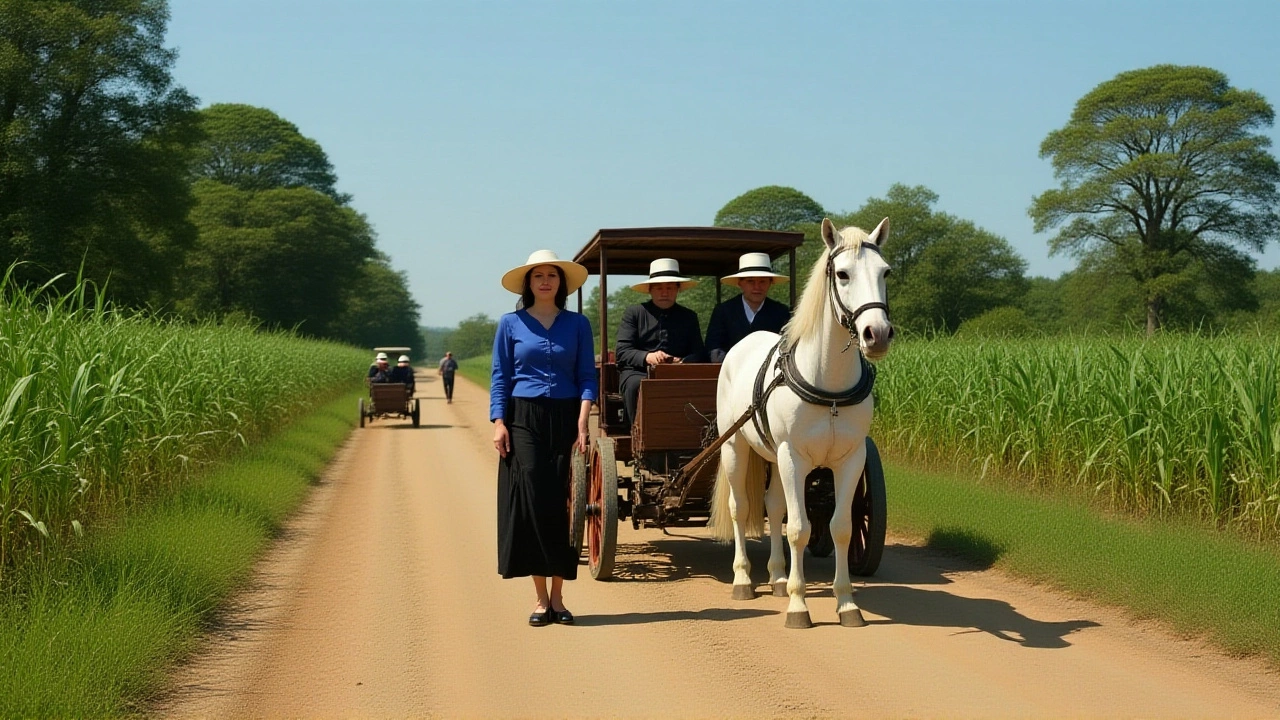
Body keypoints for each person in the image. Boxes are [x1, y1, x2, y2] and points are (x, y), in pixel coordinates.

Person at [490, 249, 597, 627]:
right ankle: (539, 599)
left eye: (552, 275)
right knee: (534, 497)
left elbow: (587, 377)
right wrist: (498, 422)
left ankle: (558, 598)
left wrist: (583, 423)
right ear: (529, 284)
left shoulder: (578, 324)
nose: (546, 281)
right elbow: (501, 376)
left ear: (561, 283)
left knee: (561, 504)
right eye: (539, 276)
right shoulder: (510, 323)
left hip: (567, 416)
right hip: (523, 417)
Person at [614, 258, 706, 427]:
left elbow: (699, 351)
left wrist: (683, 362)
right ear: (650, 289)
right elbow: (622, 350)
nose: (665, 292)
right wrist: (648, 356)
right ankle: (636, 431)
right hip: (639, 371)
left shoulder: (689, 316)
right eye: (659, 287)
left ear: (678, 289)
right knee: (636, 385)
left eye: (670, 287)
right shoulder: (634, 313)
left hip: (679, 372)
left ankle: (692, 433)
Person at [704, 252, 791, 362]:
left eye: (762, 281)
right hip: (730, 374)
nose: (757, 287)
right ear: (740, 283)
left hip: (769, 375)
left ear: (770, 283)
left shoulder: (781, 312)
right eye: (750, 281)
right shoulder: (724, 311)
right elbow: (713, 348)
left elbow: (786, 348)